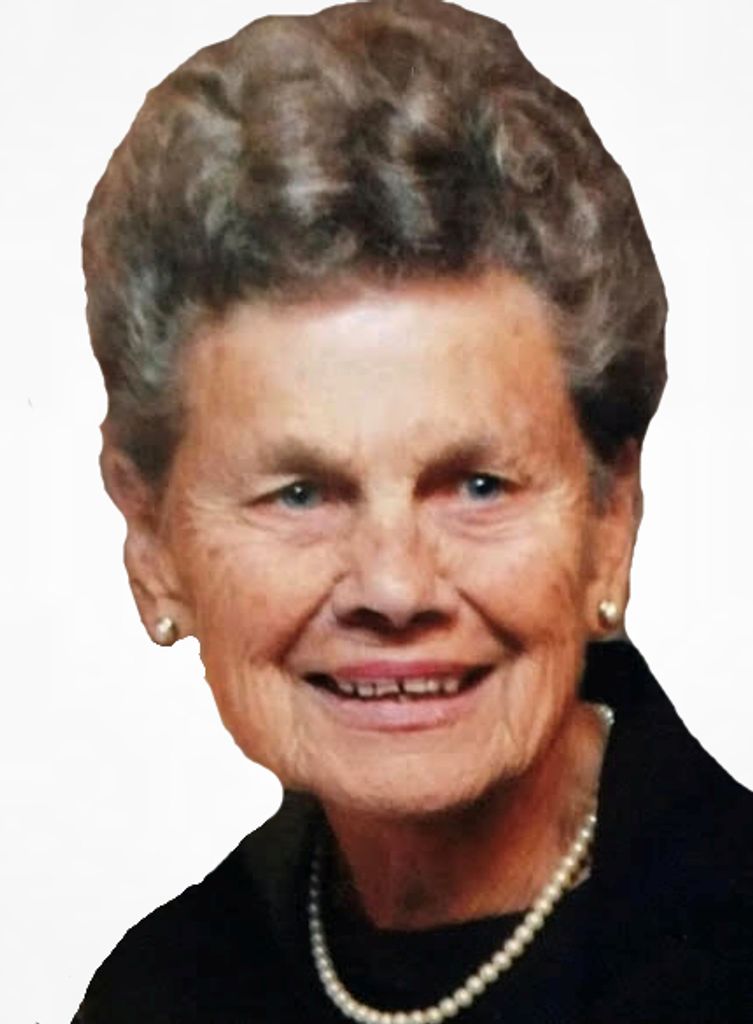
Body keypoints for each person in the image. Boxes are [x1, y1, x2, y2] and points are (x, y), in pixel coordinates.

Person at [73, 0, 753, 1020]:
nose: (394, 587)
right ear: (153, 544)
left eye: (478, 484)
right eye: (301, 493)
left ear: (611, 521)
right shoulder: (159, 991)